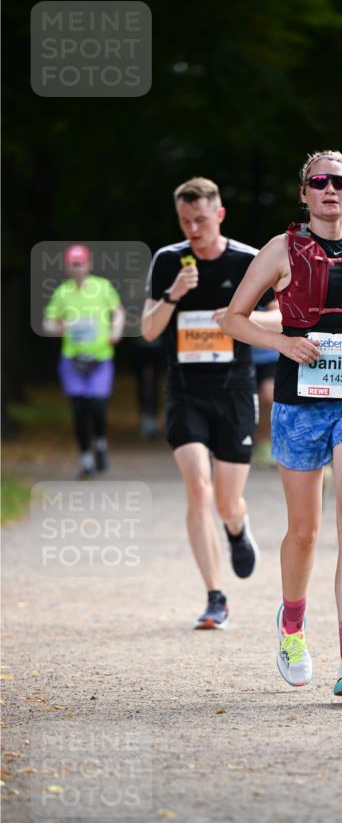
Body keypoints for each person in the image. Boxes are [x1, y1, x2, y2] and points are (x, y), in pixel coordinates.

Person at [220, 150, 342, 697]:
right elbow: (233, 318)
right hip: (300, 399)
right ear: (304, 193)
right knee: (304, 530)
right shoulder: (280, 250)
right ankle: (293, 627)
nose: (329, 189)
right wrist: (281, 342)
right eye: (318, 181)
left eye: (338, 181)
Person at [141, 177, 281, 629]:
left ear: (219, 215)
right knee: (198, 488)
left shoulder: (246, 259)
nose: (193, 229)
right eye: (185, 221)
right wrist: (172, 296)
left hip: (234, 390)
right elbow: (147, 329)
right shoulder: (168, 261)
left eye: (201, 220)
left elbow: (285, 317)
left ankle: (237, 529)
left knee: (225, 501)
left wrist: (244, 317)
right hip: (186, 392)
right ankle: (215, 597)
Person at [43, 244, 124, 478]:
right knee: (79, 411)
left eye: (81, 264)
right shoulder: (62, 292)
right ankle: (86, 459)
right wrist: (59, 327)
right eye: (73, 264)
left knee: (97, 408)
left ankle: (100, 444)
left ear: (88, 265)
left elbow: (118, 312)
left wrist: (116, 332)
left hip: (100, 357)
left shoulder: (102, 287)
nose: (77, 269)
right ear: (68, 267)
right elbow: (48, 323)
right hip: (73, 359)